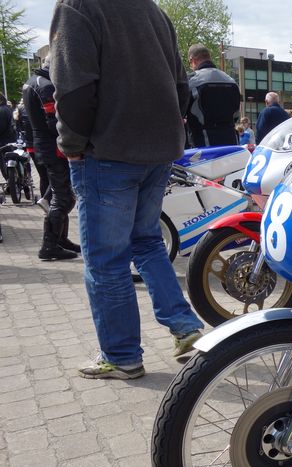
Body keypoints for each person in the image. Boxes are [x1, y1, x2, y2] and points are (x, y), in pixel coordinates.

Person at [50, 0, 204, 379]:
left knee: (107, 260)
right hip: (159, 150)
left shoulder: (78, 5)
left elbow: (72, 88)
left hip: (108, 151)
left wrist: (72, 145)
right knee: (148, 242)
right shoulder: (152, 11)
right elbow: (183, 87)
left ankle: (121, 355)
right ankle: (185, 327)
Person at [22, 59, 80, 261]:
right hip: (53, 147)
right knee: (63, 197)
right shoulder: (46, 86)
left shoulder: (32, 81)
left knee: (62, 195)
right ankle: (49, 245)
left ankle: (59, 240)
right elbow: (54, 123)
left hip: (43, 146)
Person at [185, 44, 240, 147]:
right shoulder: (231, 81)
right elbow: (236, 114)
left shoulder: (191, 81)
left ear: (193, 60)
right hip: (231, 143)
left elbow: (181, 111)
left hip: (203, 144)